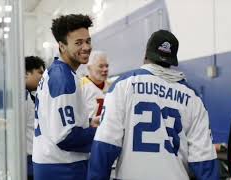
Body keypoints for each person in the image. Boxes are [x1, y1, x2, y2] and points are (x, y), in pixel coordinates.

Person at [87, 30, 219, 180]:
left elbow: (105, 145)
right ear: (173, 60)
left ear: (145, 55)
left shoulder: (122, 85)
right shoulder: (193, 97)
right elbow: (204, 159)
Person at [32, 14, 99, 180]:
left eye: (88, 41)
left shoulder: (58, 71)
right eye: (78, 43)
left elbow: (57, 122)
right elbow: (65, 137)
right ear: (62, 46)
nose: (86, 47)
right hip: (62, 169)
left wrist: (88, 124)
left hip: (52, 165)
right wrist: (100, 132)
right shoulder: (63, 77)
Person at [25, 56, 45, 180]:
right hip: (28, 161)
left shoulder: (31, 96)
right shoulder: (22, 98)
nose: (43, 77)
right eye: (40, 73)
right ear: (26, 73)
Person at [80, 51, 110, 122]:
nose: (105, 69)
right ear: (89, 68)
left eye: (107, 66)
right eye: (101, 66)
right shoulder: (79, 86)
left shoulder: (111, 87)